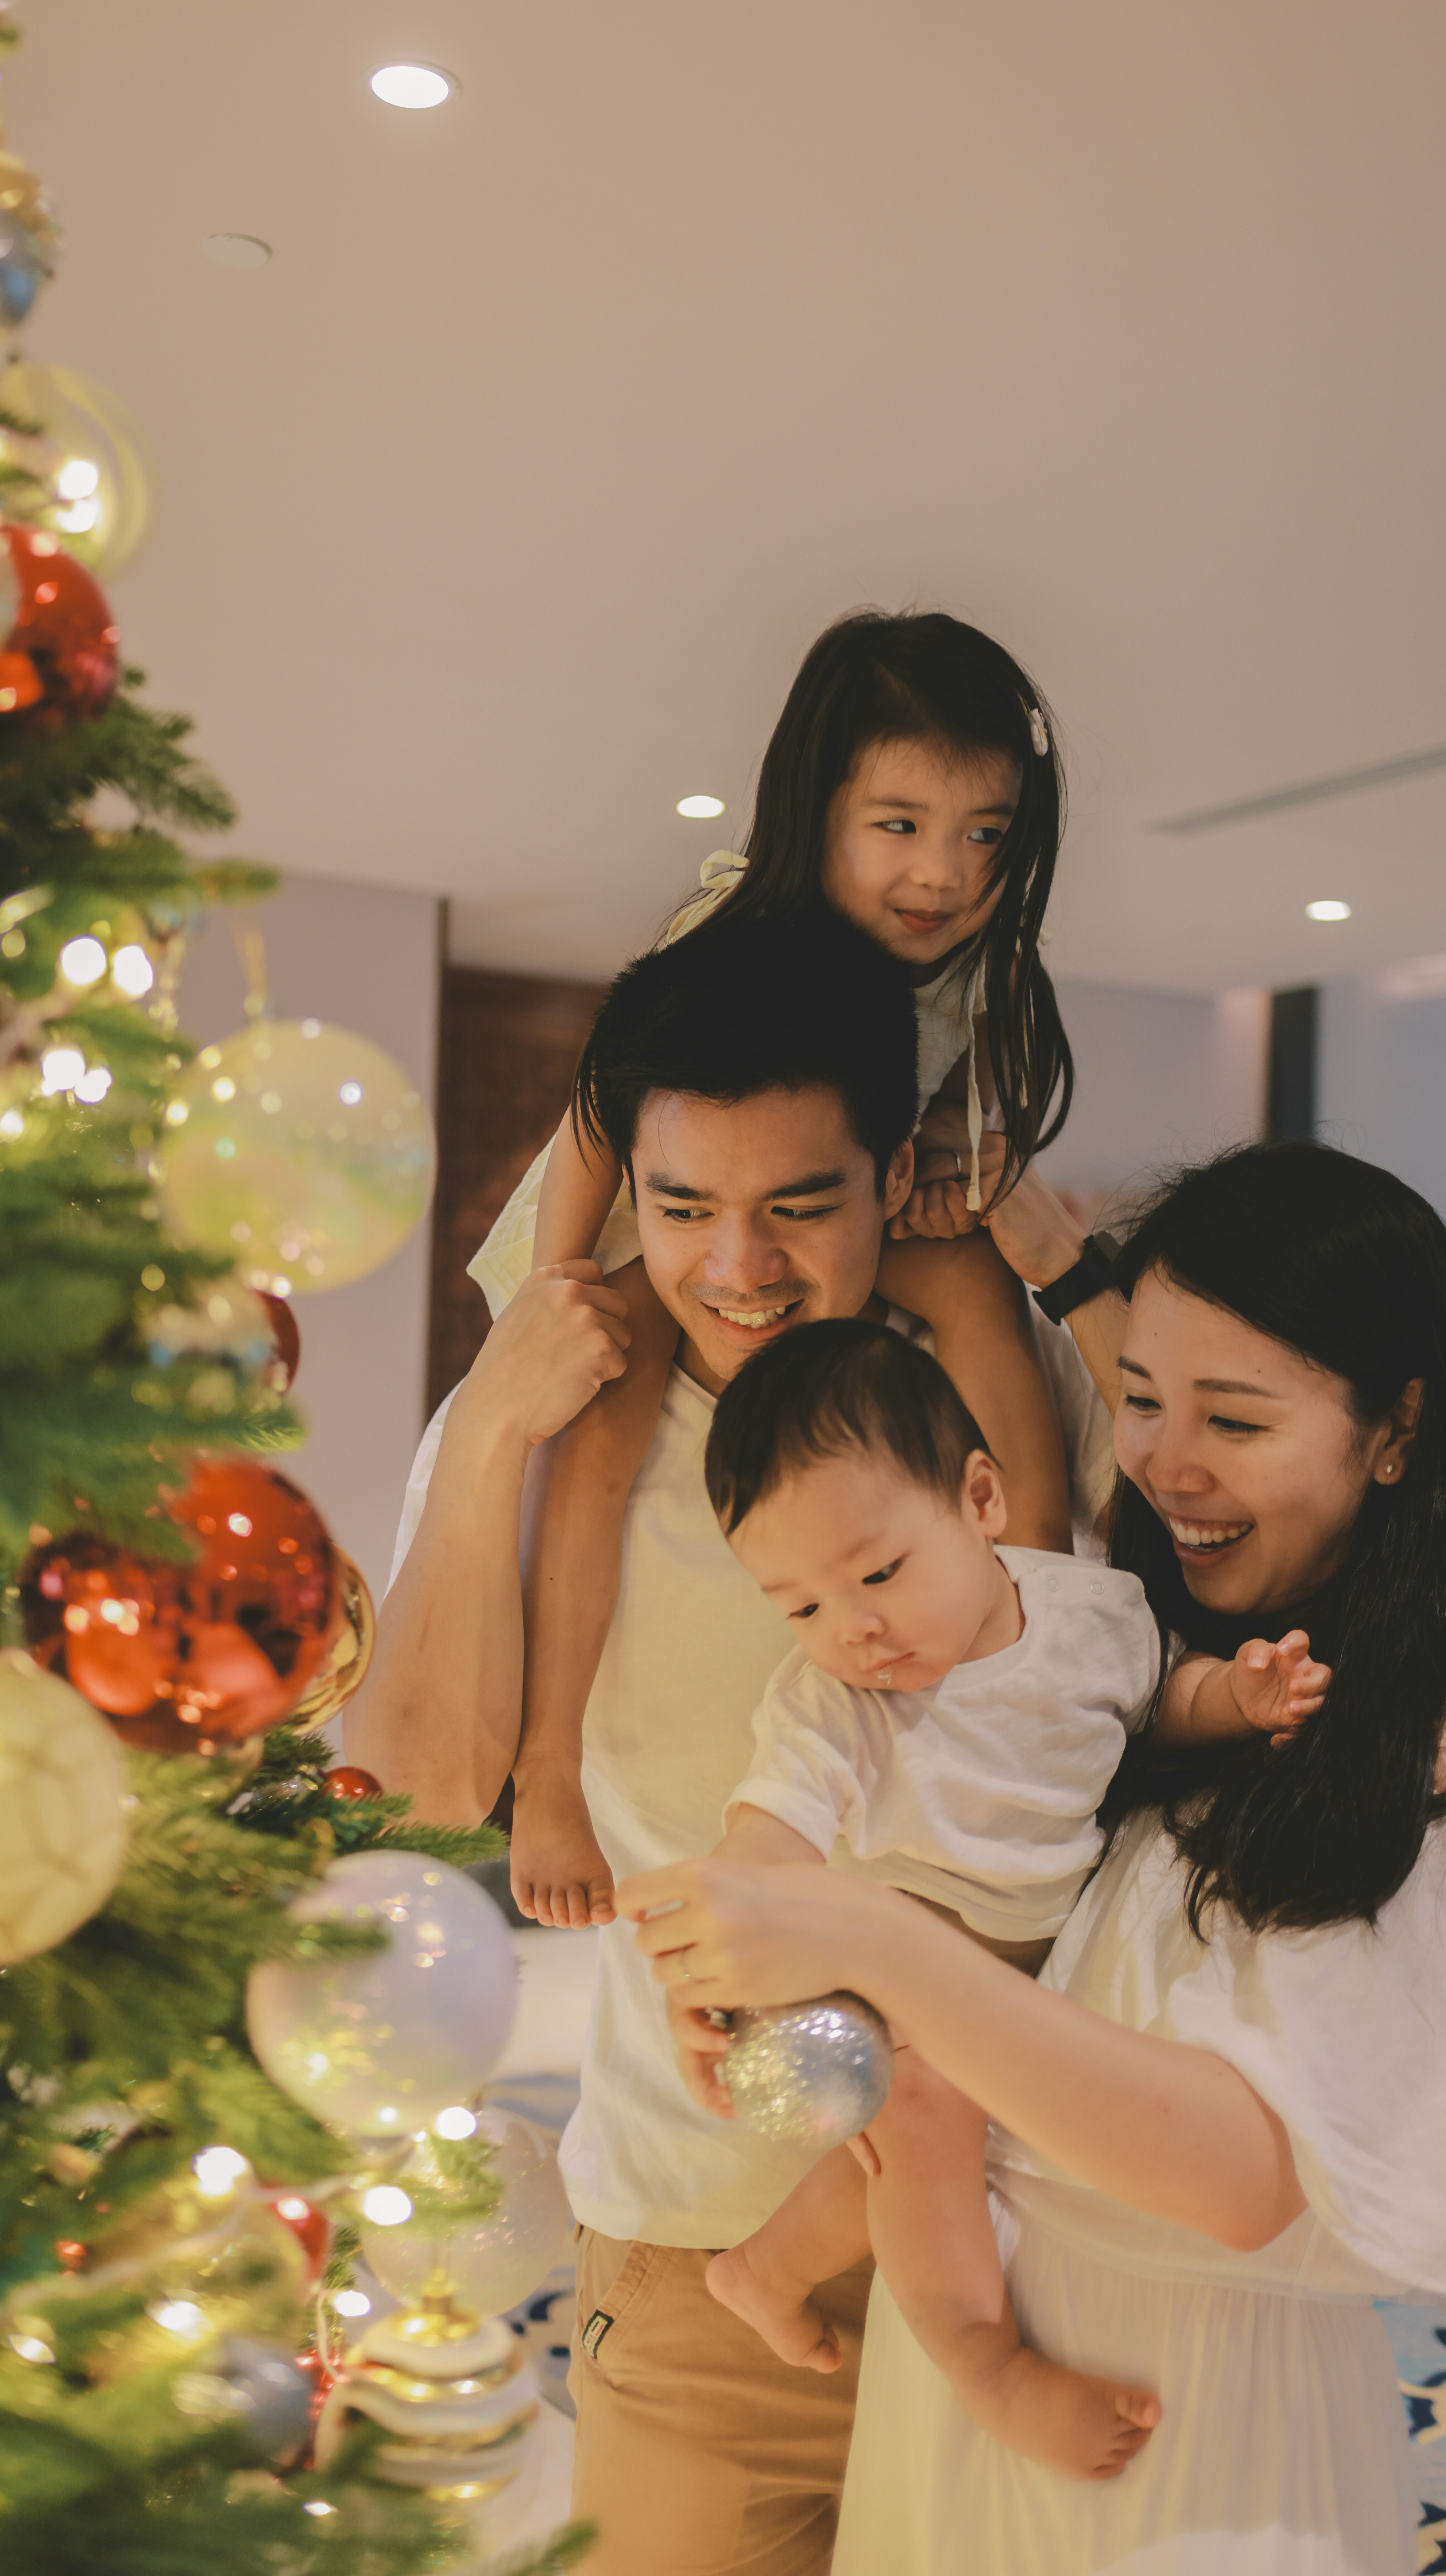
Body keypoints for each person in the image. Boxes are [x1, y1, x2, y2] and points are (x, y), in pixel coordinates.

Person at [623, 1140, 1446, 2576]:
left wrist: (873, 1943)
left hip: (1190, 2445)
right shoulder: (1138, 1637)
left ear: (1394, 1428)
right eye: (1138, 1396)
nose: (1165, 1462)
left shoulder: (1442, 1716)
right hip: (973, 2395)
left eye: (1234, 1419)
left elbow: (1248, 2175)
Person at [345, 904, 1107, 2576]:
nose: (737, 1269)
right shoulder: (567, 1417)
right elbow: (406, 1790)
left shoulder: (996, 1392)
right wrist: (485, 1422)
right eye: (683, 1210)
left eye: (799, 1208)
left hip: (1029, 2257)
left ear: (890, 1174)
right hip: (697, 2254)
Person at [475, 609, 1087, 1927]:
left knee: (980, 1296)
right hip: (671, 1225)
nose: (942, 871)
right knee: (604, 1425)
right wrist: (565, 1278)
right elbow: (602, 1115)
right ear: (815, 809)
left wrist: (948, 1181)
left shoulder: (976, 969)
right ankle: (544, 1764)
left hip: (857, 1216)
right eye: (900, 824)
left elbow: (976, 1130)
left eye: (985, 834)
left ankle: (1036, 1631)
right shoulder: (737, 925)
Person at [696, 1316, 1163, 2480]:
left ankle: (761, 2268)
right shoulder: (835, 1704)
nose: (849, 1629)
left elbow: (1161, 1706)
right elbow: (766, 1835)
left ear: (983, 1502)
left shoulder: (1094, 1616)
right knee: (929, 2116)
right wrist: (722, 1948)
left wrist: (1238, 1703)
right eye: (797, 1607)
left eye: (878, 1574)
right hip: (901, 1971)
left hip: (1054, 1950)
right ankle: (985, 2363)